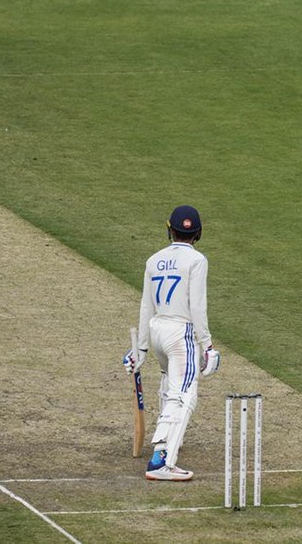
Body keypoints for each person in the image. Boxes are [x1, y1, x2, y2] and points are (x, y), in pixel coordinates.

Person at [123, 205, 220, 480]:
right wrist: (207, 345)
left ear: (170, 230)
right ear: (198, 233)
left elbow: (146, 305)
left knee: (169, 384)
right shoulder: (197, 260)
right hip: (181, 333)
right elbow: (197, 306)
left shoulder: (154, 260)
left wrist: (140, 348)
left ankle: (169, 439)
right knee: (185, 395)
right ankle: (162, 459)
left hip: (157, 330)